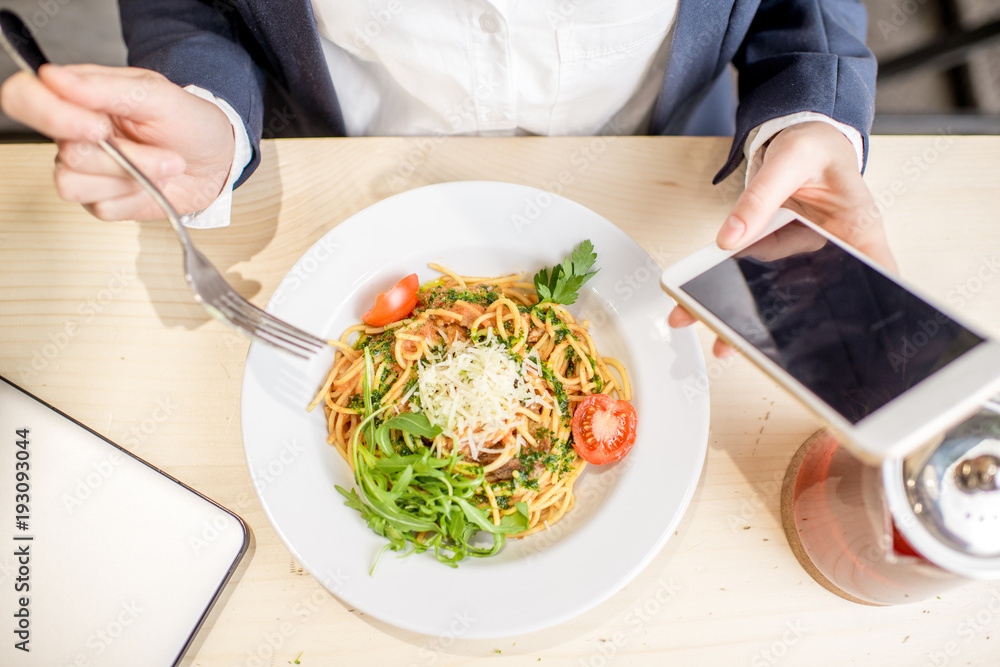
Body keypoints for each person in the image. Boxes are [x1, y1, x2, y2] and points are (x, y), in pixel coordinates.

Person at [0, 0, 895, 354]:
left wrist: (811, 114)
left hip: (661, 190)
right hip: (331, 182)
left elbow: (804, 15)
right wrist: (216, 112)